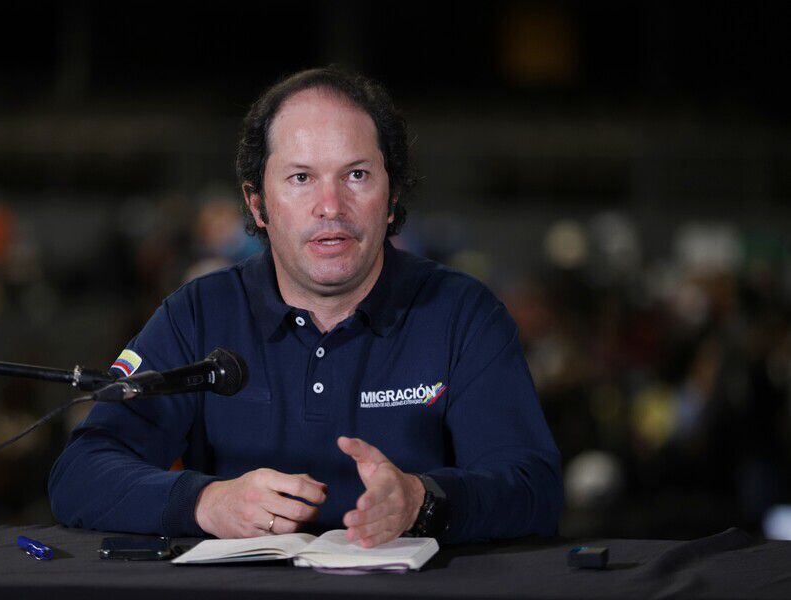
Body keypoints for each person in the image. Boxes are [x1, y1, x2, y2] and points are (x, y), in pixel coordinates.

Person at [48, 67, 563, 546]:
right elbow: (81, 471)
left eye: (356, 175)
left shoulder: (463, 313)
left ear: (393, 195)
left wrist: (424, 501)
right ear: (257, 204)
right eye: (301, 178)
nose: (331, 206)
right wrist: (205, 502)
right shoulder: (199, 313)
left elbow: (534, 489)